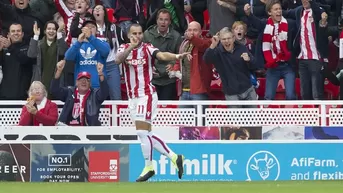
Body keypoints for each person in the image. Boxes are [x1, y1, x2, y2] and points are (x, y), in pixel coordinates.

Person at [115, 23, 190, 182]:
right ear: (129, 36)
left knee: (142, 133)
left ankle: (149, 166)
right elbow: (117, 60)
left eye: (140, 33)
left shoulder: (148, 48)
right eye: (134, 33)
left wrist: (177, 56)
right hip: (132, 98)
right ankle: (175, 157)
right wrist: (131, 48)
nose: (138, 36)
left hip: (146, 95)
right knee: (146, 134)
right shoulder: (123, 49)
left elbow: (161, 55)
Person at [50, 60, 109, 126]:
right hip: (68, 129)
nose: (84, 82)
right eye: (81, 80)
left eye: (87, 80)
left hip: (88, 129)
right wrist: (59, 71)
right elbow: (54, 90)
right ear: (76, 82)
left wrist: (100, 74)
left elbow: (105, 92)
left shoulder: (95, 94)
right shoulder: (70, 92)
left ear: (90, 84)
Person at [65, 18, 110, 88]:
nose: (89, 29)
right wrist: (78, 42)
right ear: (82, 30)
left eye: (92, 27)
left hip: (98, 86)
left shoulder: (102, 43)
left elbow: (106, 51)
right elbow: (68, 57)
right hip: (80, 86)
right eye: (87, 27)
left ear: (97, 31)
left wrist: (91, 38)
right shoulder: (78, 45)